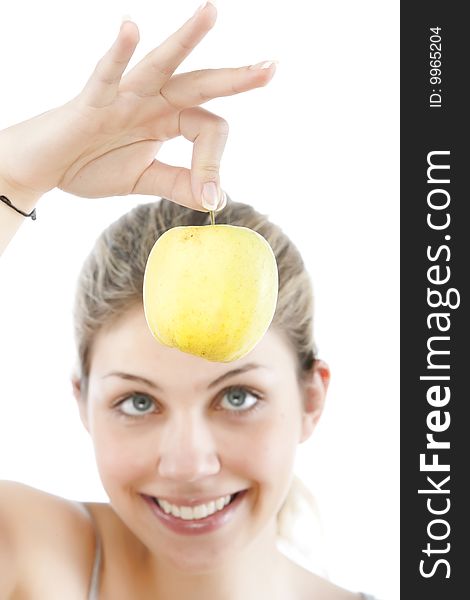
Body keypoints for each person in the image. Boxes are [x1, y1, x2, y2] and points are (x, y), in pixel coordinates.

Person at [0, 4, 378, 599]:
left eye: (238, 396)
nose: (187, 465)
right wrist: (12, 178)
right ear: (82, 403)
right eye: (136, 402)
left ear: (312, 398)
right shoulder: (30, 556)